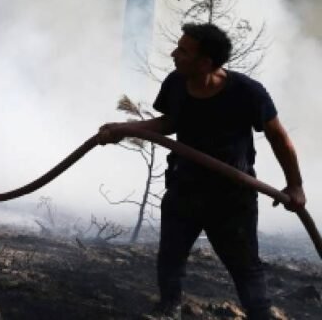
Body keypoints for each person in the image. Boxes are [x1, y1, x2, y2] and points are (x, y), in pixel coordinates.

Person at [98, 23, 306, 320]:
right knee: (171, 257)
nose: (174, 53)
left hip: (232, 198)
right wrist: (123, 128)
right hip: (185, 189)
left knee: (245, 266)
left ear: (205, 62)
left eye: (183, 51)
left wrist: (295, 185)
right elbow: (168, 123)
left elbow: (279, 138)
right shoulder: (176, 82)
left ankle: (261, 314)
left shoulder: (247, 92)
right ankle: (168, 309)